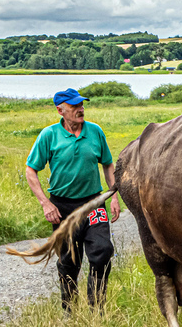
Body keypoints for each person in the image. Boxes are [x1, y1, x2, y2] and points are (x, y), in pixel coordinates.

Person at [24, 88, 120, 310]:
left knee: (102, 250)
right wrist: (45, 203)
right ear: (60, 110)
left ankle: (96, 309)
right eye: (75, 106)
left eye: (82, 105)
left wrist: (113, 195)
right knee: (69, 261)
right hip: (62, 207)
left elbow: (107, 163)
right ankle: (69, 310)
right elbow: (31, 171)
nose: (81, 109)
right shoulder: (49, 135)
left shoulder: (95, 132)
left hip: (94, 203)